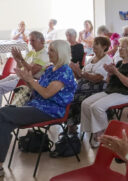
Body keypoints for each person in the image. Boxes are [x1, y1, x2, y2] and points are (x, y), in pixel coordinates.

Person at [0, 40, 77, 177]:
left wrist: (31, 81)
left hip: (51, 110)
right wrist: (26, 80)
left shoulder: (65, 71)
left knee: (3, 113)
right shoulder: (49, 69)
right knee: (4, 121)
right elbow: (37, 91)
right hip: (37, 105)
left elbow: (46, 93)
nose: (48, 52)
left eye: (52, 50)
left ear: (61, 53)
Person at [80, 37, 128, 148]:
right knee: (85, 103)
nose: (119, 49)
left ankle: (102, 135)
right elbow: (108, 81)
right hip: (112, 91)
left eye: (123, 47)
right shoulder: (119, 63)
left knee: (97, 107)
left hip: (126, 93)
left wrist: (116, 73)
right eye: (120, 47)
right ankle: (92, 131)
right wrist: (109, 73)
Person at [67, 36, 112, 134]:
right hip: (83, 85)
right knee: (67, 95)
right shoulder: (91, 59)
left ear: (104, 47)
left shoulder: (107, 60)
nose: (93, 45)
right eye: (93, 43)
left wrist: (81, 73)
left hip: (99, 87)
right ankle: (71, 125)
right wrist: (75, 71)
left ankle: (73, 125)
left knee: (75, 98)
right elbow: (79, 77)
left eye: (96, 44)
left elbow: (97, 79)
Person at [0, 31, 50, 106]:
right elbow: (21, 68)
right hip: (22, 76)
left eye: (33, 40)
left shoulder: (44, 54)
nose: (31, 43)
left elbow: (32, 72)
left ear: (42, 41)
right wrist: (17, 59)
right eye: (30, 40)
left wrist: (21, 59)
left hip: (30, 81)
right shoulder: (32, 52)